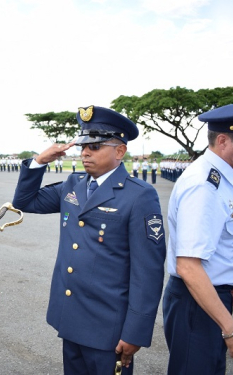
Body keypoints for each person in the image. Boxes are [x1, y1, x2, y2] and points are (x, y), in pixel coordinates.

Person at [12, 105, 166, 374]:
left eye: (95, 146)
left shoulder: (139, 195)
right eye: (83, 145)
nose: (85, 152)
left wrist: (135, 332)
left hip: (108, 327)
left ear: (120, 151)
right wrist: (40, 160)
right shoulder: (74, 184)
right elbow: (24, 201)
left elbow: (148, 271)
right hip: (71, 317)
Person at [163, 104, 233, 375]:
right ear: (223, 140)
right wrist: (228, 328)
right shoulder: (204, 185)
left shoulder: (222, 179)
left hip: (212, 298)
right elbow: (189, 266)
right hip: (198, 303)